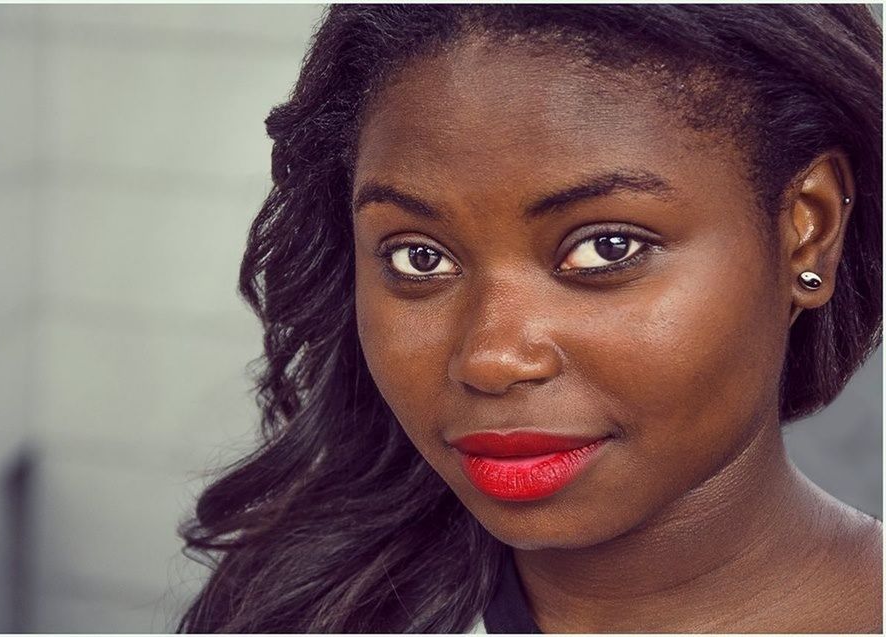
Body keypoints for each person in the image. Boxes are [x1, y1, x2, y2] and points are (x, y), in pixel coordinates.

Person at [178, 5, 882, 633]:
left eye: (608, 246)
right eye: (420, 257)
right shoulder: (306, 610)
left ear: (806, 230)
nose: (491, 357)